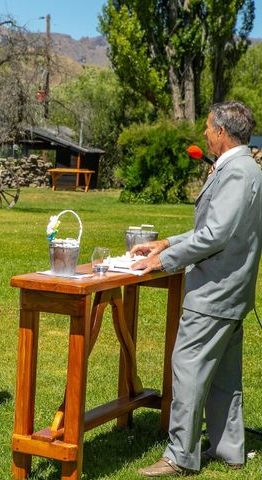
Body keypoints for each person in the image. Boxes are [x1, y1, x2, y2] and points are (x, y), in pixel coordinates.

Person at [133, 101, 262, 477]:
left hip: (216, 291)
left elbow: (215, 235)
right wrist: (167, 243)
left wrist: (162, 262)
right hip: (232, 290)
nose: (204, 133)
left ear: (222, 132)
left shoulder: (237, 171)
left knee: (187, 368)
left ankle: (179, 456)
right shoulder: (245, 168)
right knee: (223, 375)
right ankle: (229, 449)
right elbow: (218, 228)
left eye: (207, 127)